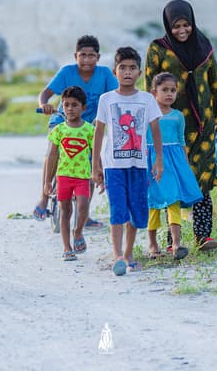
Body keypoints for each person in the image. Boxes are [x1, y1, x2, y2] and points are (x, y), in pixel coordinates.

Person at [144, 0, 217, 252]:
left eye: (186, 25)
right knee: (171, 181)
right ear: (168, 26)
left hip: (202, 124)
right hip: (168, 127)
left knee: (201, 177)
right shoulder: (157, 49)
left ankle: (203, 237)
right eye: (176, 26)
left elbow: (215, 85)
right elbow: (148, 88)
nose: (182, 30)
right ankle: (173, 242)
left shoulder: (205, 47)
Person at [92, 47, 163, 276]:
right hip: (113, 166)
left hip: (139, 165)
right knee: (117, 210)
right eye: (123, 68)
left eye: (132, 68)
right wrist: (95, 165)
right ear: (115, 71)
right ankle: (117, 256)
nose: (127, 72)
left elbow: (155, 130)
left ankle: (129, 252)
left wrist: (158, 160)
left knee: (137, 210)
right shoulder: (107, 99)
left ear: (140, 73)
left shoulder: (147, 99)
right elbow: (99, 133)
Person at [33, 35, 118, 227]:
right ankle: (44, 197)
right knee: (53, 150)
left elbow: (115, 97)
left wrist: (107, 116)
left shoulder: (104, 74)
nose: (87, 60)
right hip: (63, 119)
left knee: (89, 164)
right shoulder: (66, 72)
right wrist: (44, 104)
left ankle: (84, 214)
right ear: (75, 56)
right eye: (83, 55)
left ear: (98, 57)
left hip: (90, 125)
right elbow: (45, 93)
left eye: (91, 56)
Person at [146, 72, 204, 260]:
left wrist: (184, 166)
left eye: (173, 90)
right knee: (153, 203)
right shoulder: (147, 114)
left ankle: (176, 244)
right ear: (153, 92)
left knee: (173, 200)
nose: (169, 94)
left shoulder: (178, 116)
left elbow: (181, 141)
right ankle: (152, 244)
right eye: (165, 90)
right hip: (152, 159)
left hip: (174, 161)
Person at [43, 86, 95, 261]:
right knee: (65, 211)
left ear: (84, 108)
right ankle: (66, 247)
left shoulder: (89, 130)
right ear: (62, 108)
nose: (70, 109)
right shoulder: (58, 130)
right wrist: (47, 182)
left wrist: (98, 171)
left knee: (83, 206)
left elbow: (95, 154)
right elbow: (51, 156)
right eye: (66, 105)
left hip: (83, 177)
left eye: (75, 105)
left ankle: (78, 231)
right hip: (63, 176)